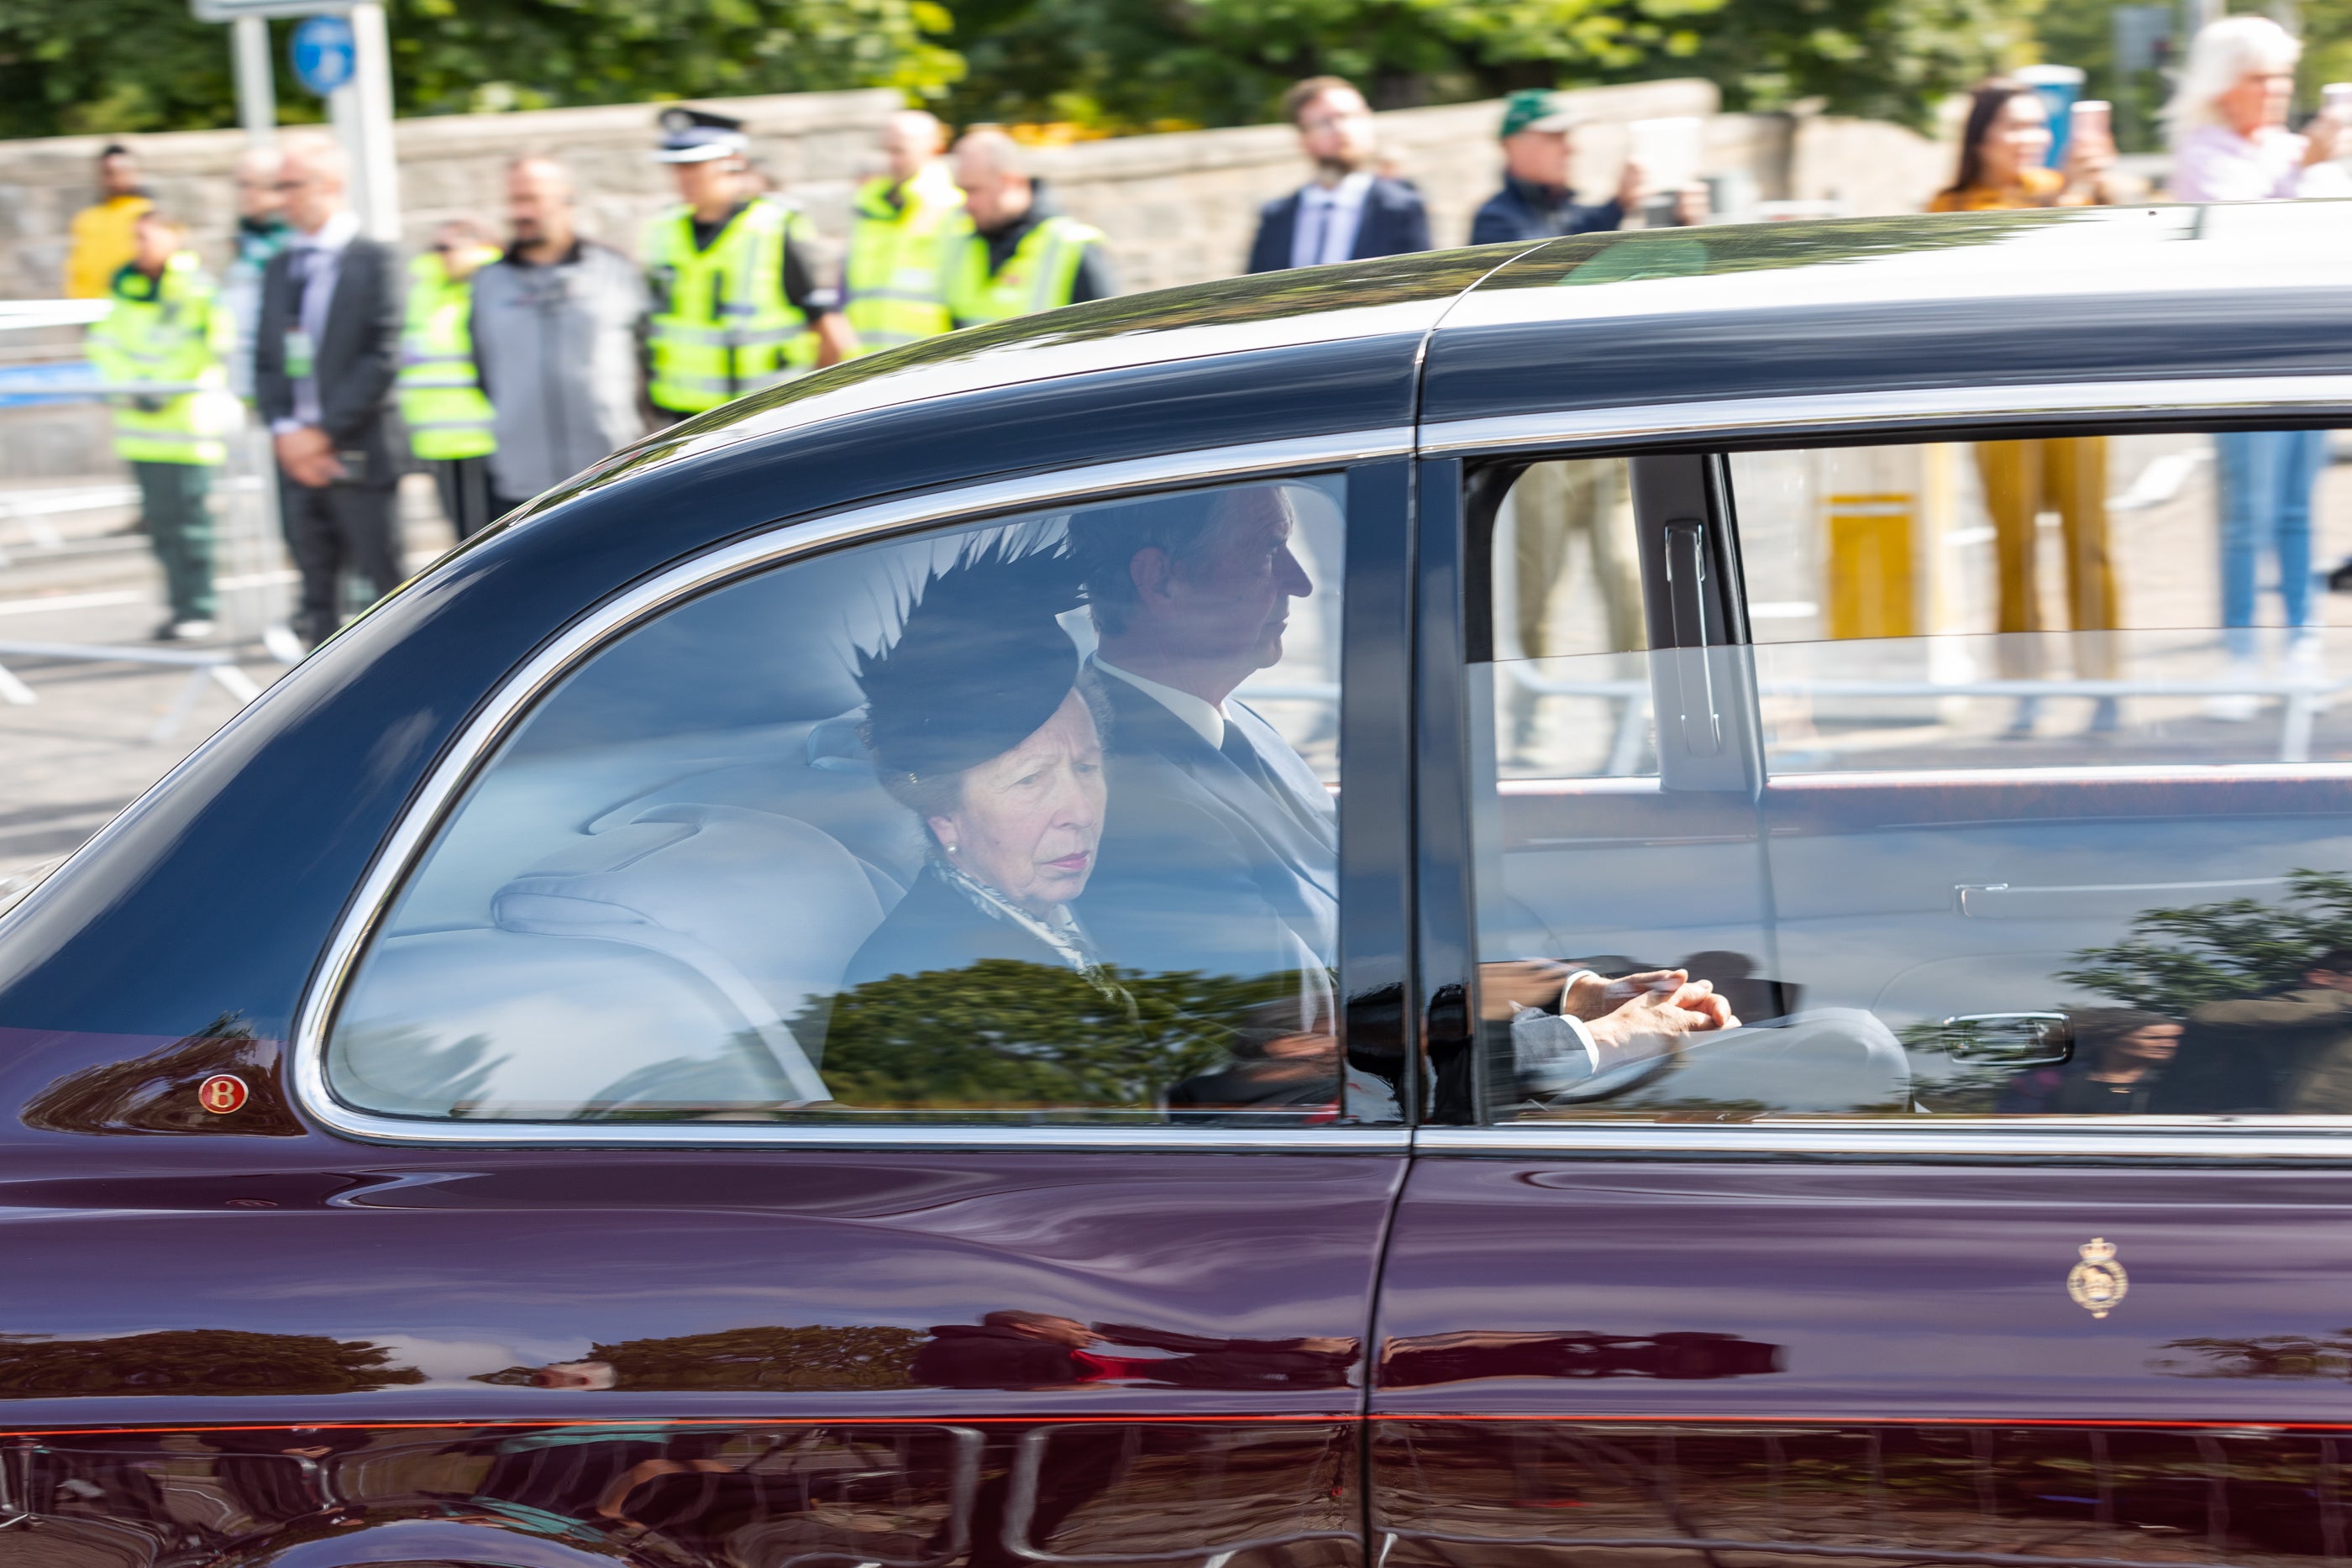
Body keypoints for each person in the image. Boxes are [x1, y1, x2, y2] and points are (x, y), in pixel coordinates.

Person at [1065, 485, 1735, 1085]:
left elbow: (1362, 974)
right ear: (1160, 579)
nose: (1299, 582)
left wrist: (1571, 996)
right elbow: (1306, 1044)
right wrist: (1593, 1042)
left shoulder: (1231, 727)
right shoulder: (1140, 802)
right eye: (1269, 551)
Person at [1929, 81, 2122, 737]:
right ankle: (2026, 689)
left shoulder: (2067, 184)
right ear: (1980, 136)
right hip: (2001, 397)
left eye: (2039, 125)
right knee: (2013, 546)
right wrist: (2069, 193)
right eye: (2014, 126)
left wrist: (2108, 189)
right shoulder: (1954, 206)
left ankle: (2105, 684)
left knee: (2088, 541)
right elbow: (2005, 266)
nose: (2030, 139)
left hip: (2079, 390)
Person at [839, 537, 1113, 993]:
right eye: (1031, 779)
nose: (1082, 813)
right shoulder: (934, 989)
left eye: (1086, 768)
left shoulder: (1048, 911)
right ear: (945, 819)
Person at [2167, 16, 2343, 711]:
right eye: (2258, 77)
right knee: (2249, 513)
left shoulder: (2284, 148)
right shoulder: (2202, 151)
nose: (2274, 91)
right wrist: (2305, 161)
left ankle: (2301, 647)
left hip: (2305, 355)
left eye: (2281, 77)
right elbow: (2246, 227)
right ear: (2223, 84)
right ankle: (2239, 656)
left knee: (2301, 509)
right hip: (2238, 365)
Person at [253, 133, 405, 649]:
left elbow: (382, 357)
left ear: (330, 185)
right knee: (316, 596)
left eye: (291, 185)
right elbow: (266, 359)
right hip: (295, 457)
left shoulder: (376, 260)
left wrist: (320, 434)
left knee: (385, 588)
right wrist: (285, 431)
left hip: (356, 451)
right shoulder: (281, 267)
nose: (282, 198)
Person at [642, 107, 852, 425]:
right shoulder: (663, 230)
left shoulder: (774, 227)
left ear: (734, 163)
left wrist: (810, 410)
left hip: (762, 420)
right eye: (678, 167)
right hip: (680, 422)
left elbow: (830, 332)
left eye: (695, 165)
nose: (684, 178)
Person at [470, 155, 648, 520]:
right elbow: (484, 368)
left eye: (533, 199)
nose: (521, 212)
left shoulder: (616, 270)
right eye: (515, 200)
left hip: (613, 470)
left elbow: (650, 359)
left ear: (567, 200)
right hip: (522, 482)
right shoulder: (487, 282)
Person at [86, 209, 233, 641]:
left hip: (186, 427)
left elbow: (203, 346)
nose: (140, 246)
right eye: (137, 237)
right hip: (141, 429)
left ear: (175, 238)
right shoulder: (126, 287)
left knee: (191, 526)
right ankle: (179, 607)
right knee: (161, 527)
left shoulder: (197, 289)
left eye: (148, 237)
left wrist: (158, 389)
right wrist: (131, 387)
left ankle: (199, 606)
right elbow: (104, 344)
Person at [1246, 77, 1431, 273]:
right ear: (1303, 137)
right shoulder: (1276, 216)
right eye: (1325, 122)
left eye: (1352, 116)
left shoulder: (1402, 207)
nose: (1341, 129)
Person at [944, 127, 1116, 327]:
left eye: (973, 190)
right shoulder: (963, 243)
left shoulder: (1071, 245)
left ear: (1011, 182)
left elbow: (1104, 336)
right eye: (962, 191)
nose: (966, 204)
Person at [396, 217, 501, 542]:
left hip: (489, 438)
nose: (441, 256)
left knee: (498, 539)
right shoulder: (423, 291)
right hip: (439, 442)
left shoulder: (493, 285)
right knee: (465, 542)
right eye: (435, 248)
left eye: (448, 247)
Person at [2155, 949, 2352, 1113]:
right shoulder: (2325, 1002)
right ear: (2320, 977)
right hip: (2304, 1122)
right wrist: (2343, 1010)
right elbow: (2210, 1014)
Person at [844, 109, 964, 353]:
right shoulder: (870, 208)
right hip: (869, 366)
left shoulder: (954, 208)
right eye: (885, 150)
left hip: (933, 366)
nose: (891, 161)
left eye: (900, 151)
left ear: (934, 149)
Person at [1468, 90, 1646, 246]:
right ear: (1513, 145)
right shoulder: (1496, 221)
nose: (1570, 149)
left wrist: (1621, 202)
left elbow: (1585, 231)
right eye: (1554, 138)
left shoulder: (1560, 207)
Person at [1997, 1009, 2180, 1114]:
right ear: (2107, 1041)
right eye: (2153, 1038)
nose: (2168, 1045)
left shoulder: (2179, 1082)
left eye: (2174, 1038)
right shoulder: (2048, 1082)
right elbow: (2017, 1128)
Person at [223, 144, 291, 402]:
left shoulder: (290, 243)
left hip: (279, 384)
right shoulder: (245, 239)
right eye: (239, 185)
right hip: (245, 379)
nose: (242, 194)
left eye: (249, 184)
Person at [64, 144, 153, 300]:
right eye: (109, 173)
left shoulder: (148, 215)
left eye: (122, 172)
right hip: (89, 306)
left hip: (131, 304)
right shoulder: (86, 218)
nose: (116, 179)